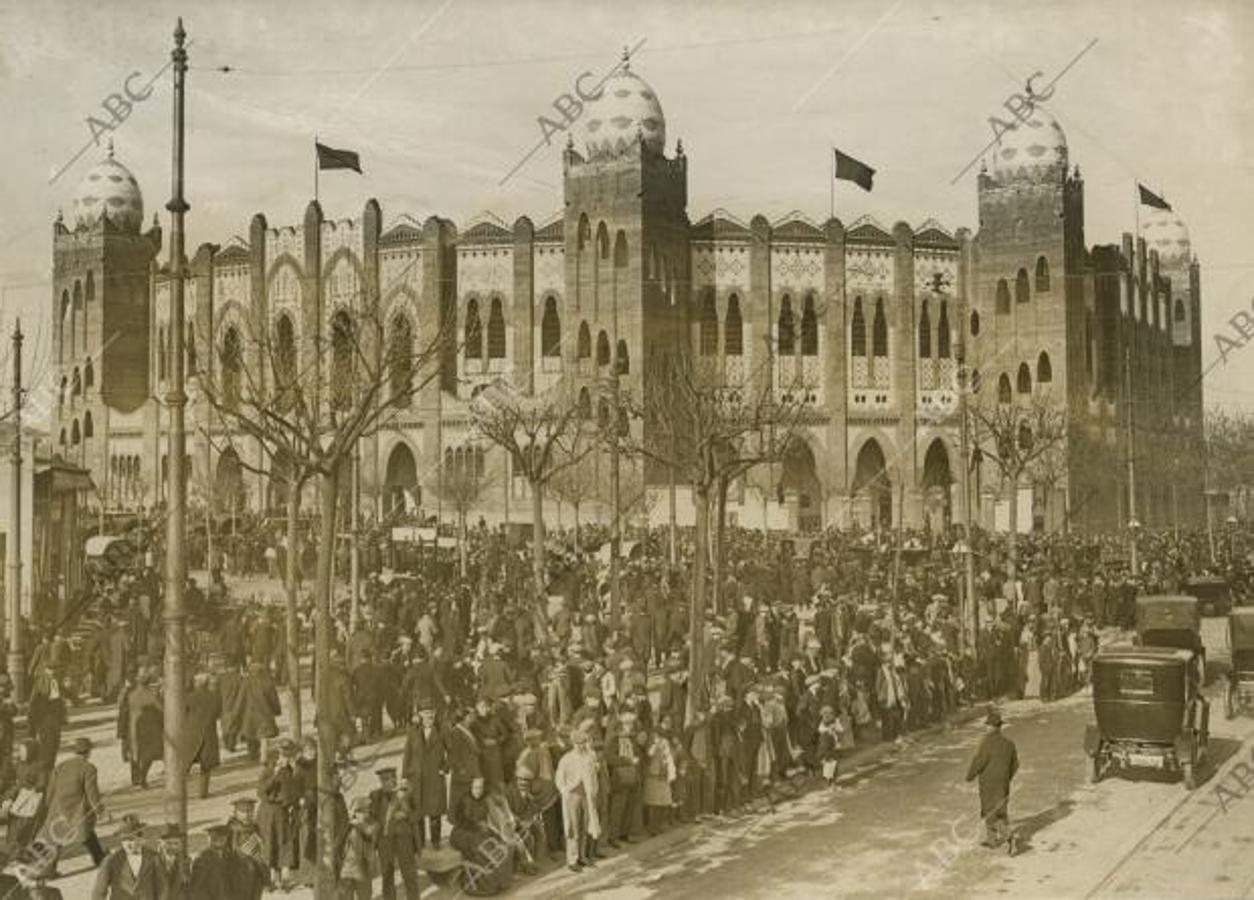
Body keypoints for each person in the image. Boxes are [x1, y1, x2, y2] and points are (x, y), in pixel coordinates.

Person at [42, 736, 106, 867]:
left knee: (56, 837)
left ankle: (49, 869)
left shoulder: (61, 766)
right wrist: (100, 810)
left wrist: (48, 805)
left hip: (58, 807)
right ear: (89, 752)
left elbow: (50, 789)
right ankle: (100, 859)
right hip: (76, 809)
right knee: (87, 833)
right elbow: (92, 793)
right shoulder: (89, 768)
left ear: (75, 751)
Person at [965, 709, 1019, 850]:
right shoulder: (1009, 744)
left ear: (991, 727)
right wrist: (1007, 777)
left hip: (988, 784)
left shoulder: (986, 742)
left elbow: (979, 762)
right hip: (1003, 783)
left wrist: (970, 776)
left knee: (989, 813)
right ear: (1000, 726)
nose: (986, 727)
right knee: (1000, 811)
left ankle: (1009, 837)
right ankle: (991, 841)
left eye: (988, 725)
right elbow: (1015, 765)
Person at [554, 723, 601, 872]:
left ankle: (582, 856)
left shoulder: (589, 757)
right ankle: (572, 859)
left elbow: (593, 775)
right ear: (573, 744)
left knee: (585, 825)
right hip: (573, 796)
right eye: (578, 744)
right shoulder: (566, 759)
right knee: (573, 828)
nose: (581, 746)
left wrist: (593, 790)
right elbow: (559, 778)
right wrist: (565, 789)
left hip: (586, 795)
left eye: (583, 743)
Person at [370, 768, 422, 900]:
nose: (390, 782)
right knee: (387, 874)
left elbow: (418, 814)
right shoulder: (375, 796)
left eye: (393, 778)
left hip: (404, 837)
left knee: (408, 872)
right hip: (384, 839)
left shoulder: (405, 794)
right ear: (381, 782)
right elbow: (371, 818)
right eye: (386, 779)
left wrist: (406, 814)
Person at [91, 815, 160, 899]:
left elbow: (163, 888)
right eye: (124, 840)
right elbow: (99, 893)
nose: (128, 845)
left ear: (140, 838)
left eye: (132, 840)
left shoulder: (154, 858)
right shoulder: (111, 860)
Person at [182, 672, 221, 799]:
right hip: (208, 733)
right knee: (206, 766)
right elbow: (218, 713)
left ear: (197, 683)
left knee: (185, 764)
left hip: (191, 733)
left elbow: (183, 713)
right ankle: (203, 793)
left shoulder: (189, 697)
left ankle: (180, 792)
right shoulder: (215, 697)